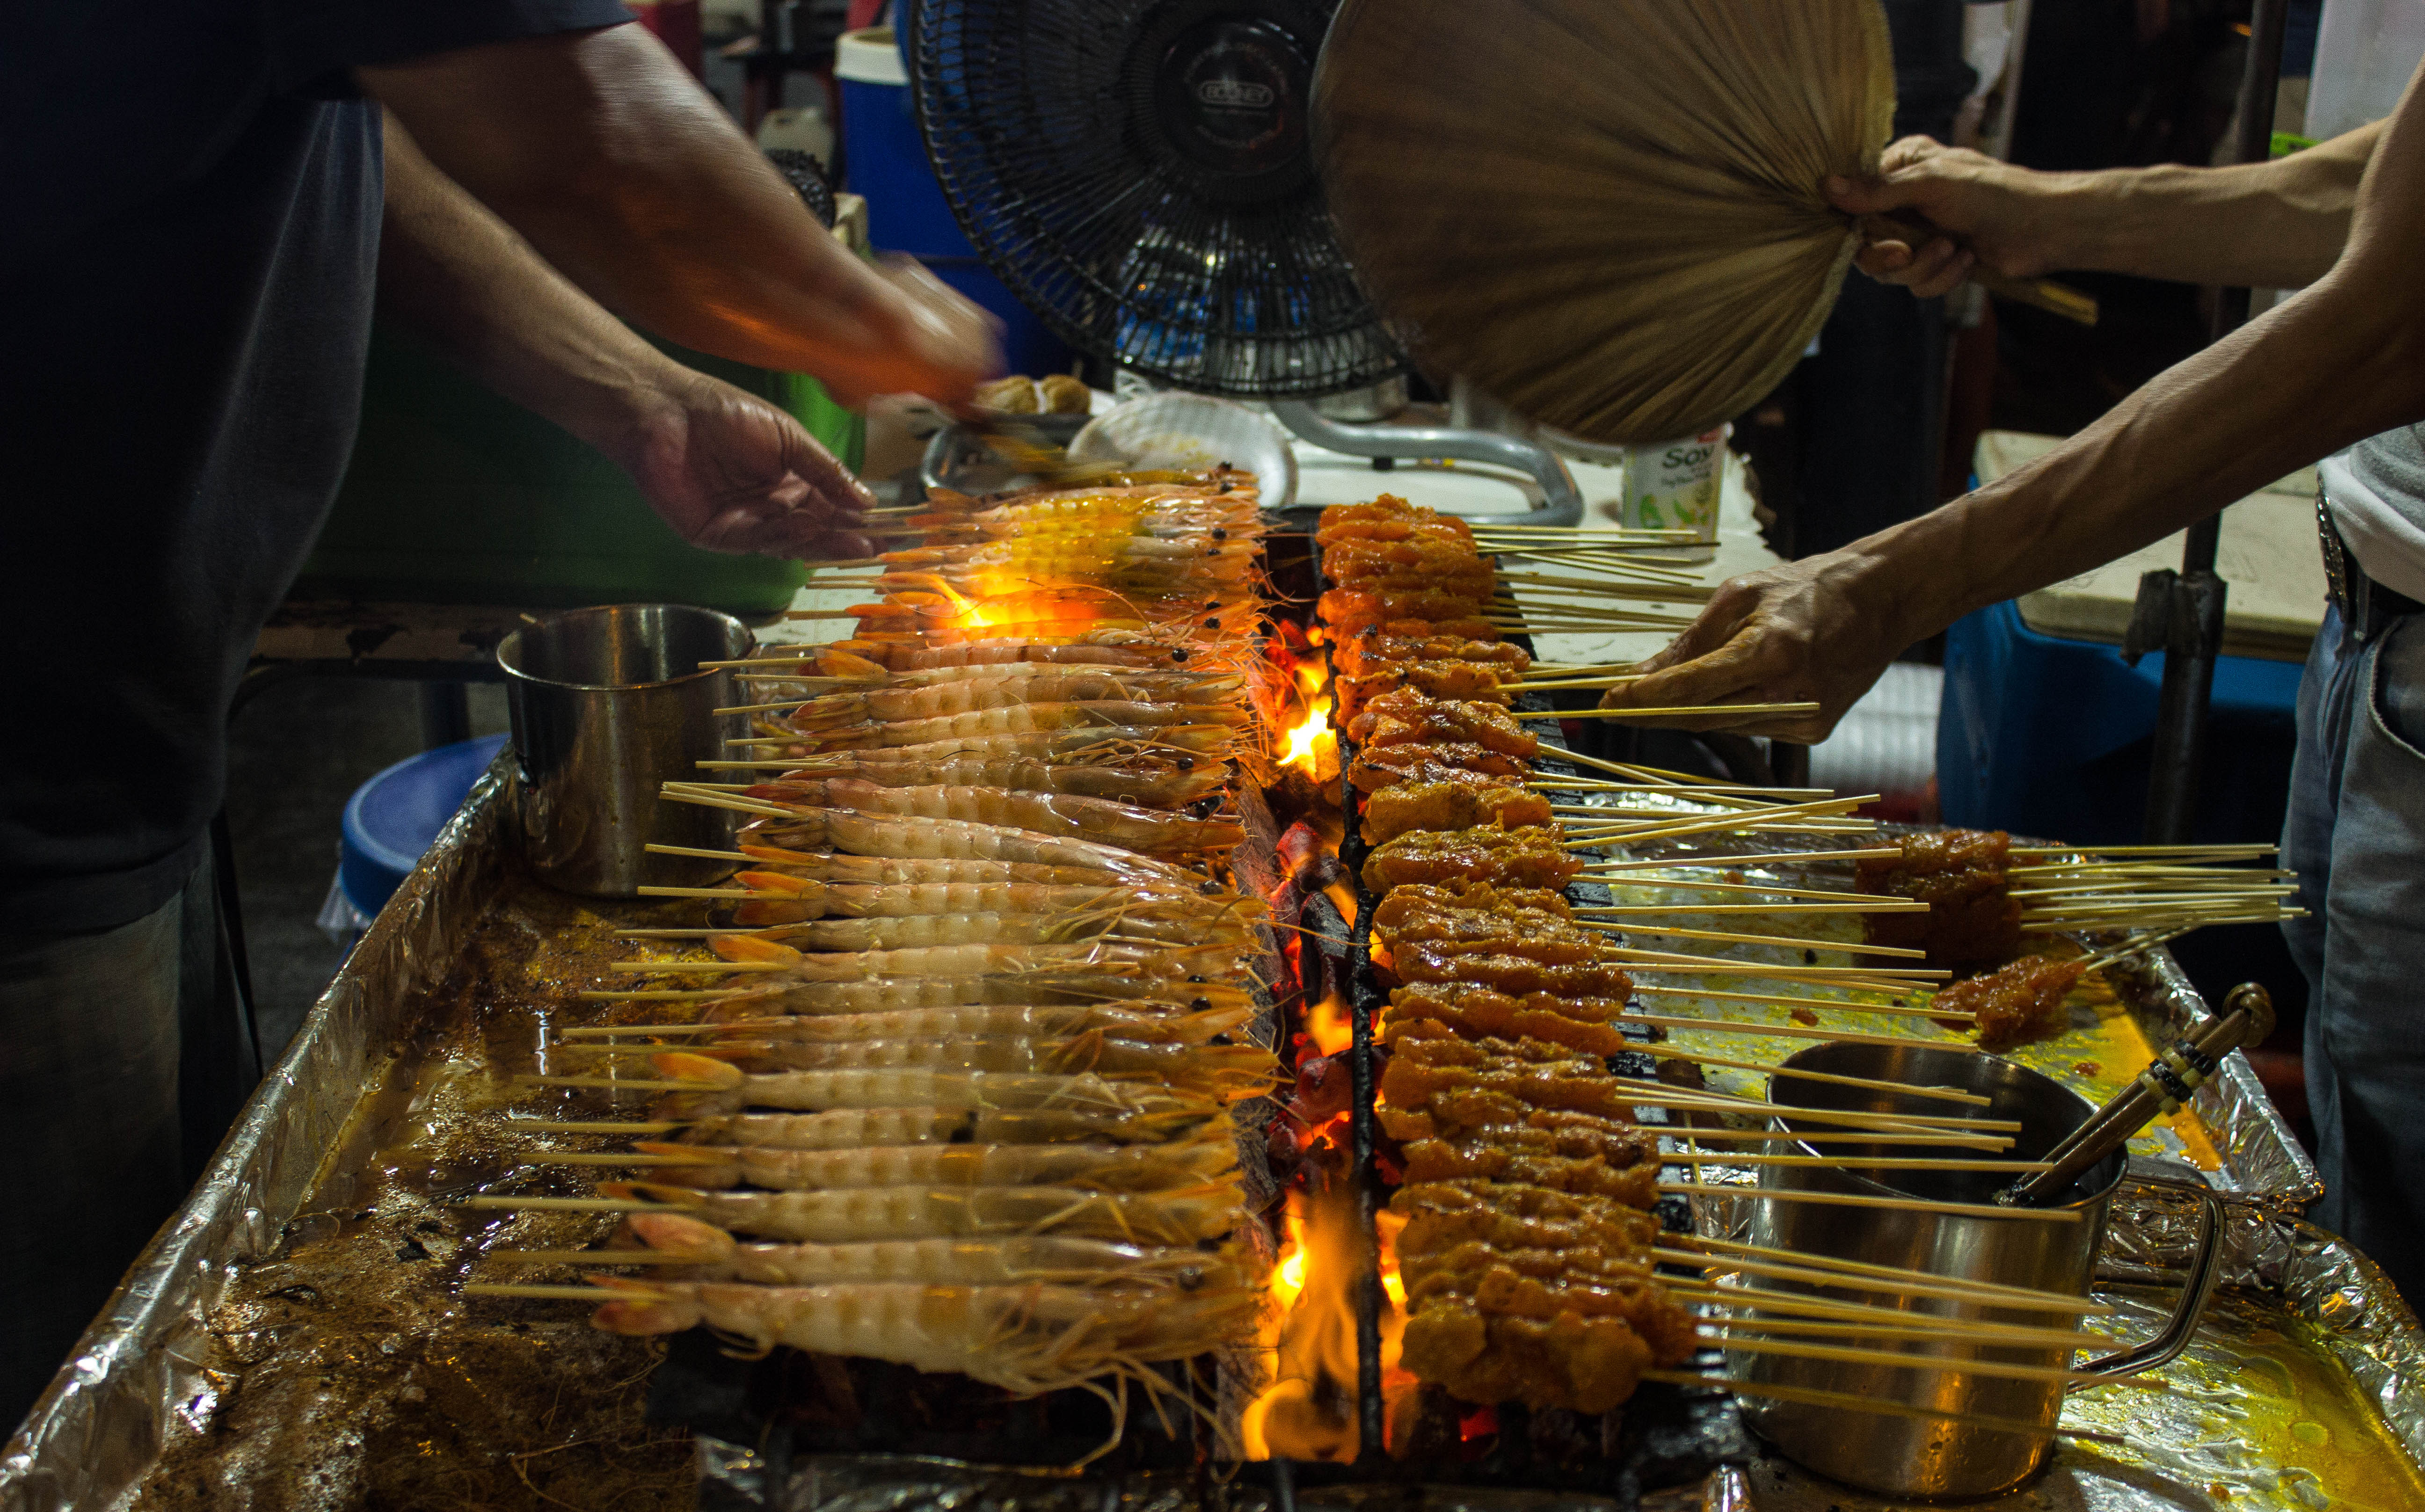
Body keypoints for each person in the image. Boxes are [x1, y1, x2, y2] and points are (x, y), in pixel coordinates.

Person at [0, 12, 998, 1430]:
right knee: (77, 1396)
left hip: (128, 719)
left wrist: (643, 398)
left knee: (185, 1319)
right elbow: (586, 122)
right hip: (27, 778)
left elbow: (347, 148)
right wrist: (880, 328)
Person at [1605, 60, 2425, 1301]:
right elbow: (2387, 186)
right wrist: (2055, 210)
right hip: (2373, 622)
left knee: (2412, 1243)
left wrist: (1882, 586)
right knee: (2376, 1153)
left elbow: (2385, 327)